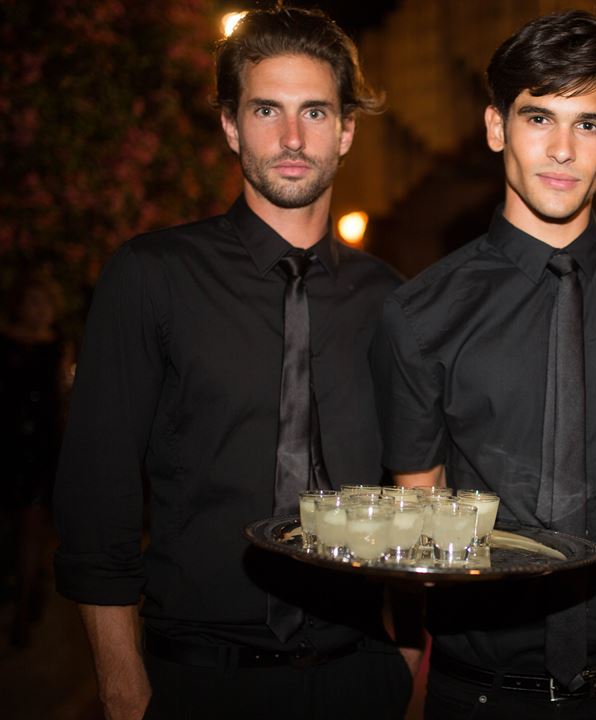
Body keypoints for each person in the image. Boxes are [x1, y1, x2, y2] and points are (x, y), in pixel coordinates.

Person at [53, 8, 411, 719]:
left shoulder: (391, 299)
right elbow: (97, 496)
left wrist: (404, 662)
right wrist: (123, 688)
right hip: (198, 682)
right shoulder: (152, 276)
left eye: (315, 112)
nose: (291, 138)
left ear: (346, 130)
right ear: (230, 126)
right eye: (266, 110)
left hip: (359, 678)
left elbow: (414, 487)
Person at [371, 10, 596, 720]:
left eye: (587, 124)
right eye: (539, 118)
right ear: (496, 126)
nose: (562, 149)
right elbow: (419, 517)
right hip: (477, 693)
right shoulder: (419, 314)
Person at [0, 275, 68, 648]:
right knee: (14, 525)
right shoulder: (6, 341)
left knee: (32, 524)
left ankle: (25, 602)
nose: (40, 309)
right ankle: (27, 583)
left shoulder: (56, 346)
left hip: (42, 445)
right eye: (33, 301)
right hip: (9, 442)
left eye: (46, 302)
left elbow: (61, 395)